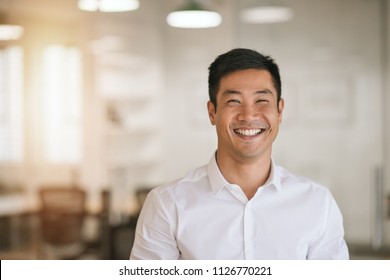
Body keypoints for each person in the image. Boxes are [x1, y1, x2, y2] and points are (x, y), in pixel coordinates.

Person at [130, 48, 349, 260]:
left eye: (262, 100)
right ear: (212, 112)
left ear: (280, 111)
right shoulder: (167, 204)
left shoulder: (317, 203)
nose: (248, 115)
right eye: (233, 101)